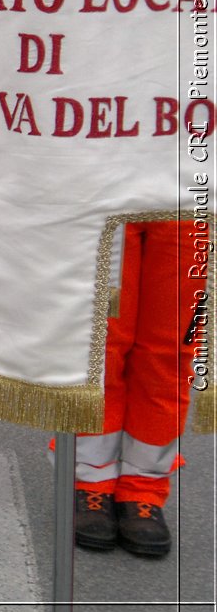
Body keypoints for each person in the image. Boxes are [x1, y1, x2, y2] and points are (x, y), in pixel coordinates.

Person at [67, 220, 204, 558]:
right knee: (101, 344)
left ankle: (144, 486)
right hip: (111, 183)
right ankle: (92, 479)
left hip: (195, 192)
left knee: (173, 352)